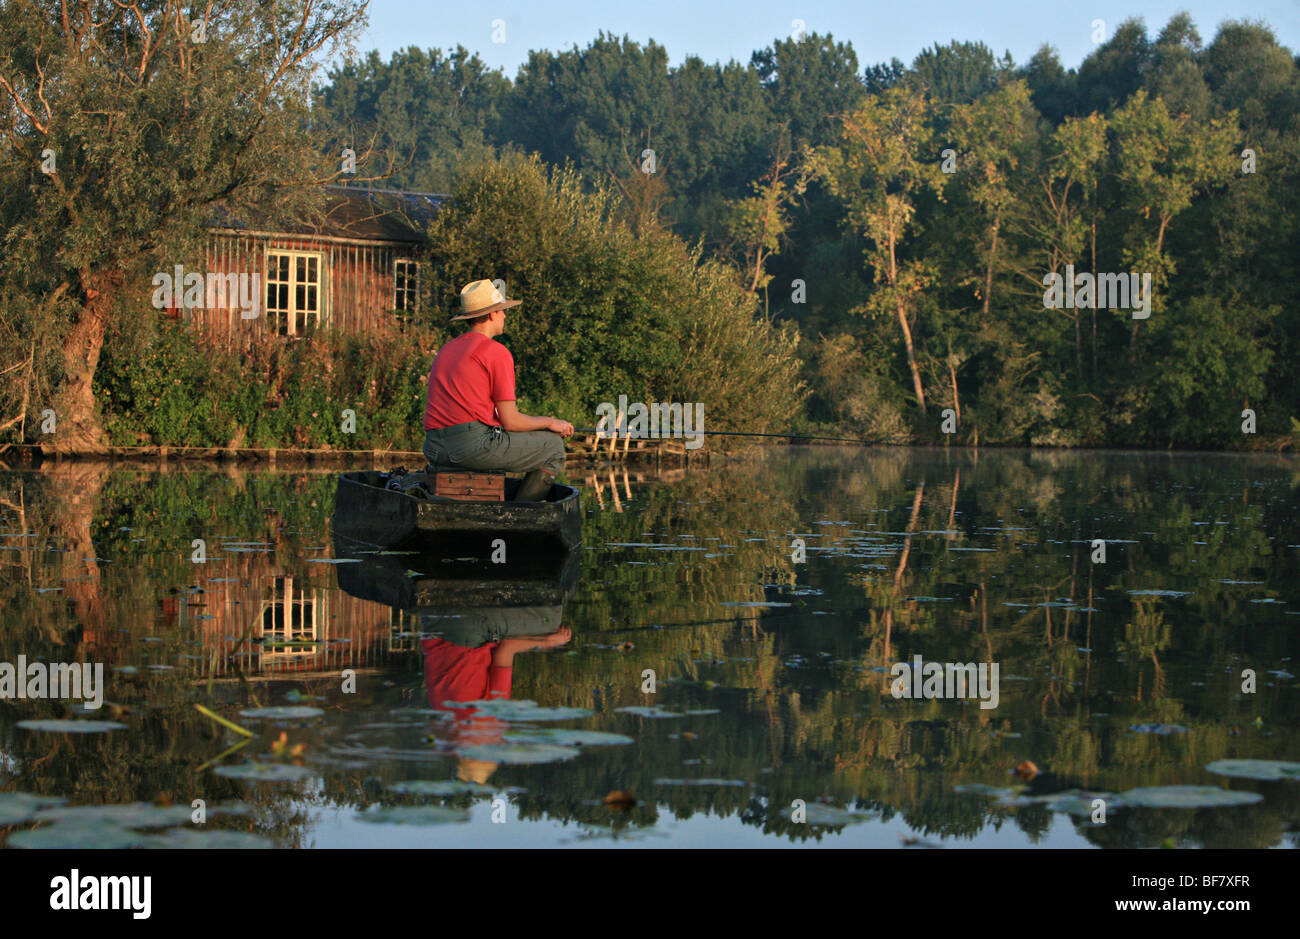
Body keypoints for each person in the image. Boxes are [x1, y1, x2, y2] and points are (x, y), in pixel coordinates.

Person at [423, 279, 574, 501]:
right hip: (469, 447)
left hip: (434, 448)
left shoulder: (448, 349)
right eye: (503, 310)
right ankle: (520, 517)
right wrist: (551, 422)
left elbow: (468, 408)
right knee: (552, 447)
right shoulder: (497, 352)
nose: (505, 315)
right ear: (493, 314)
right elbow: (511, 421)